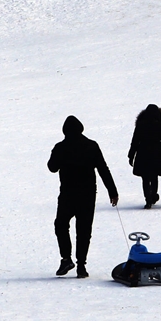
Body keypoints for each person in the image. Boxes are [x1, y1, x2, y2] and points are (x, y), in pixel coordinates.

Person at [48, 115, 118, 278]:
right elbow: (103, 168)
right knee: (84, 229)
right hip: (87, 194)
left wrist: (57, 154)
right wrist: (112, 191)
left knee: (61, 224)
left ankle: (66, 258)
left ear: (65, 131)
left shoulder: (61, 147)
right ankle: (81, 266)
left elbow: (52, 167)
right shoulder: (91, 146)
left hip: (67, 193)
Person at [128, 104, 161, 208]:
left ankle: (148, 200)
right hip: (156, 154)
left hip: (143, 154)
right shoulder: (160, 125)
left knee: (145, 178)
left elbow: (135, 141)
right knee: (154, 176)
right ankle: (153, 195)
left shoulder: (140, 125)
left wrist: (131, 155)